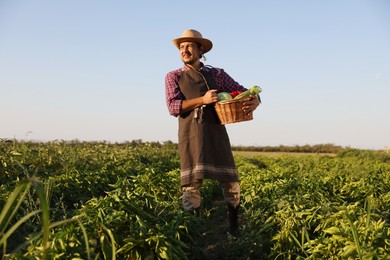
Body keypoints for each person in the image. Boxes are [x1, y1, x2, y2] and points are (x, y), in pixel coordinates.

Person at [164, 29, 261, 236]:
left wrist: (255, 101)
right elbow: (173, 107)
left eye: (189, 45)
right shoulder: (173, 76)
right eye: (181, 47)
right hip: (191, 134)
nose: (185, 50)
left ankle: (234, 228)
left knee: (230, 181)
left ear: (200, 49)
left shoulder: (217, 74)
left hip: (216, 131)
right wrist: (203, 100)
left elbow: (241, 91)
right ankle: (194, 233)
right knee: (191, 186)